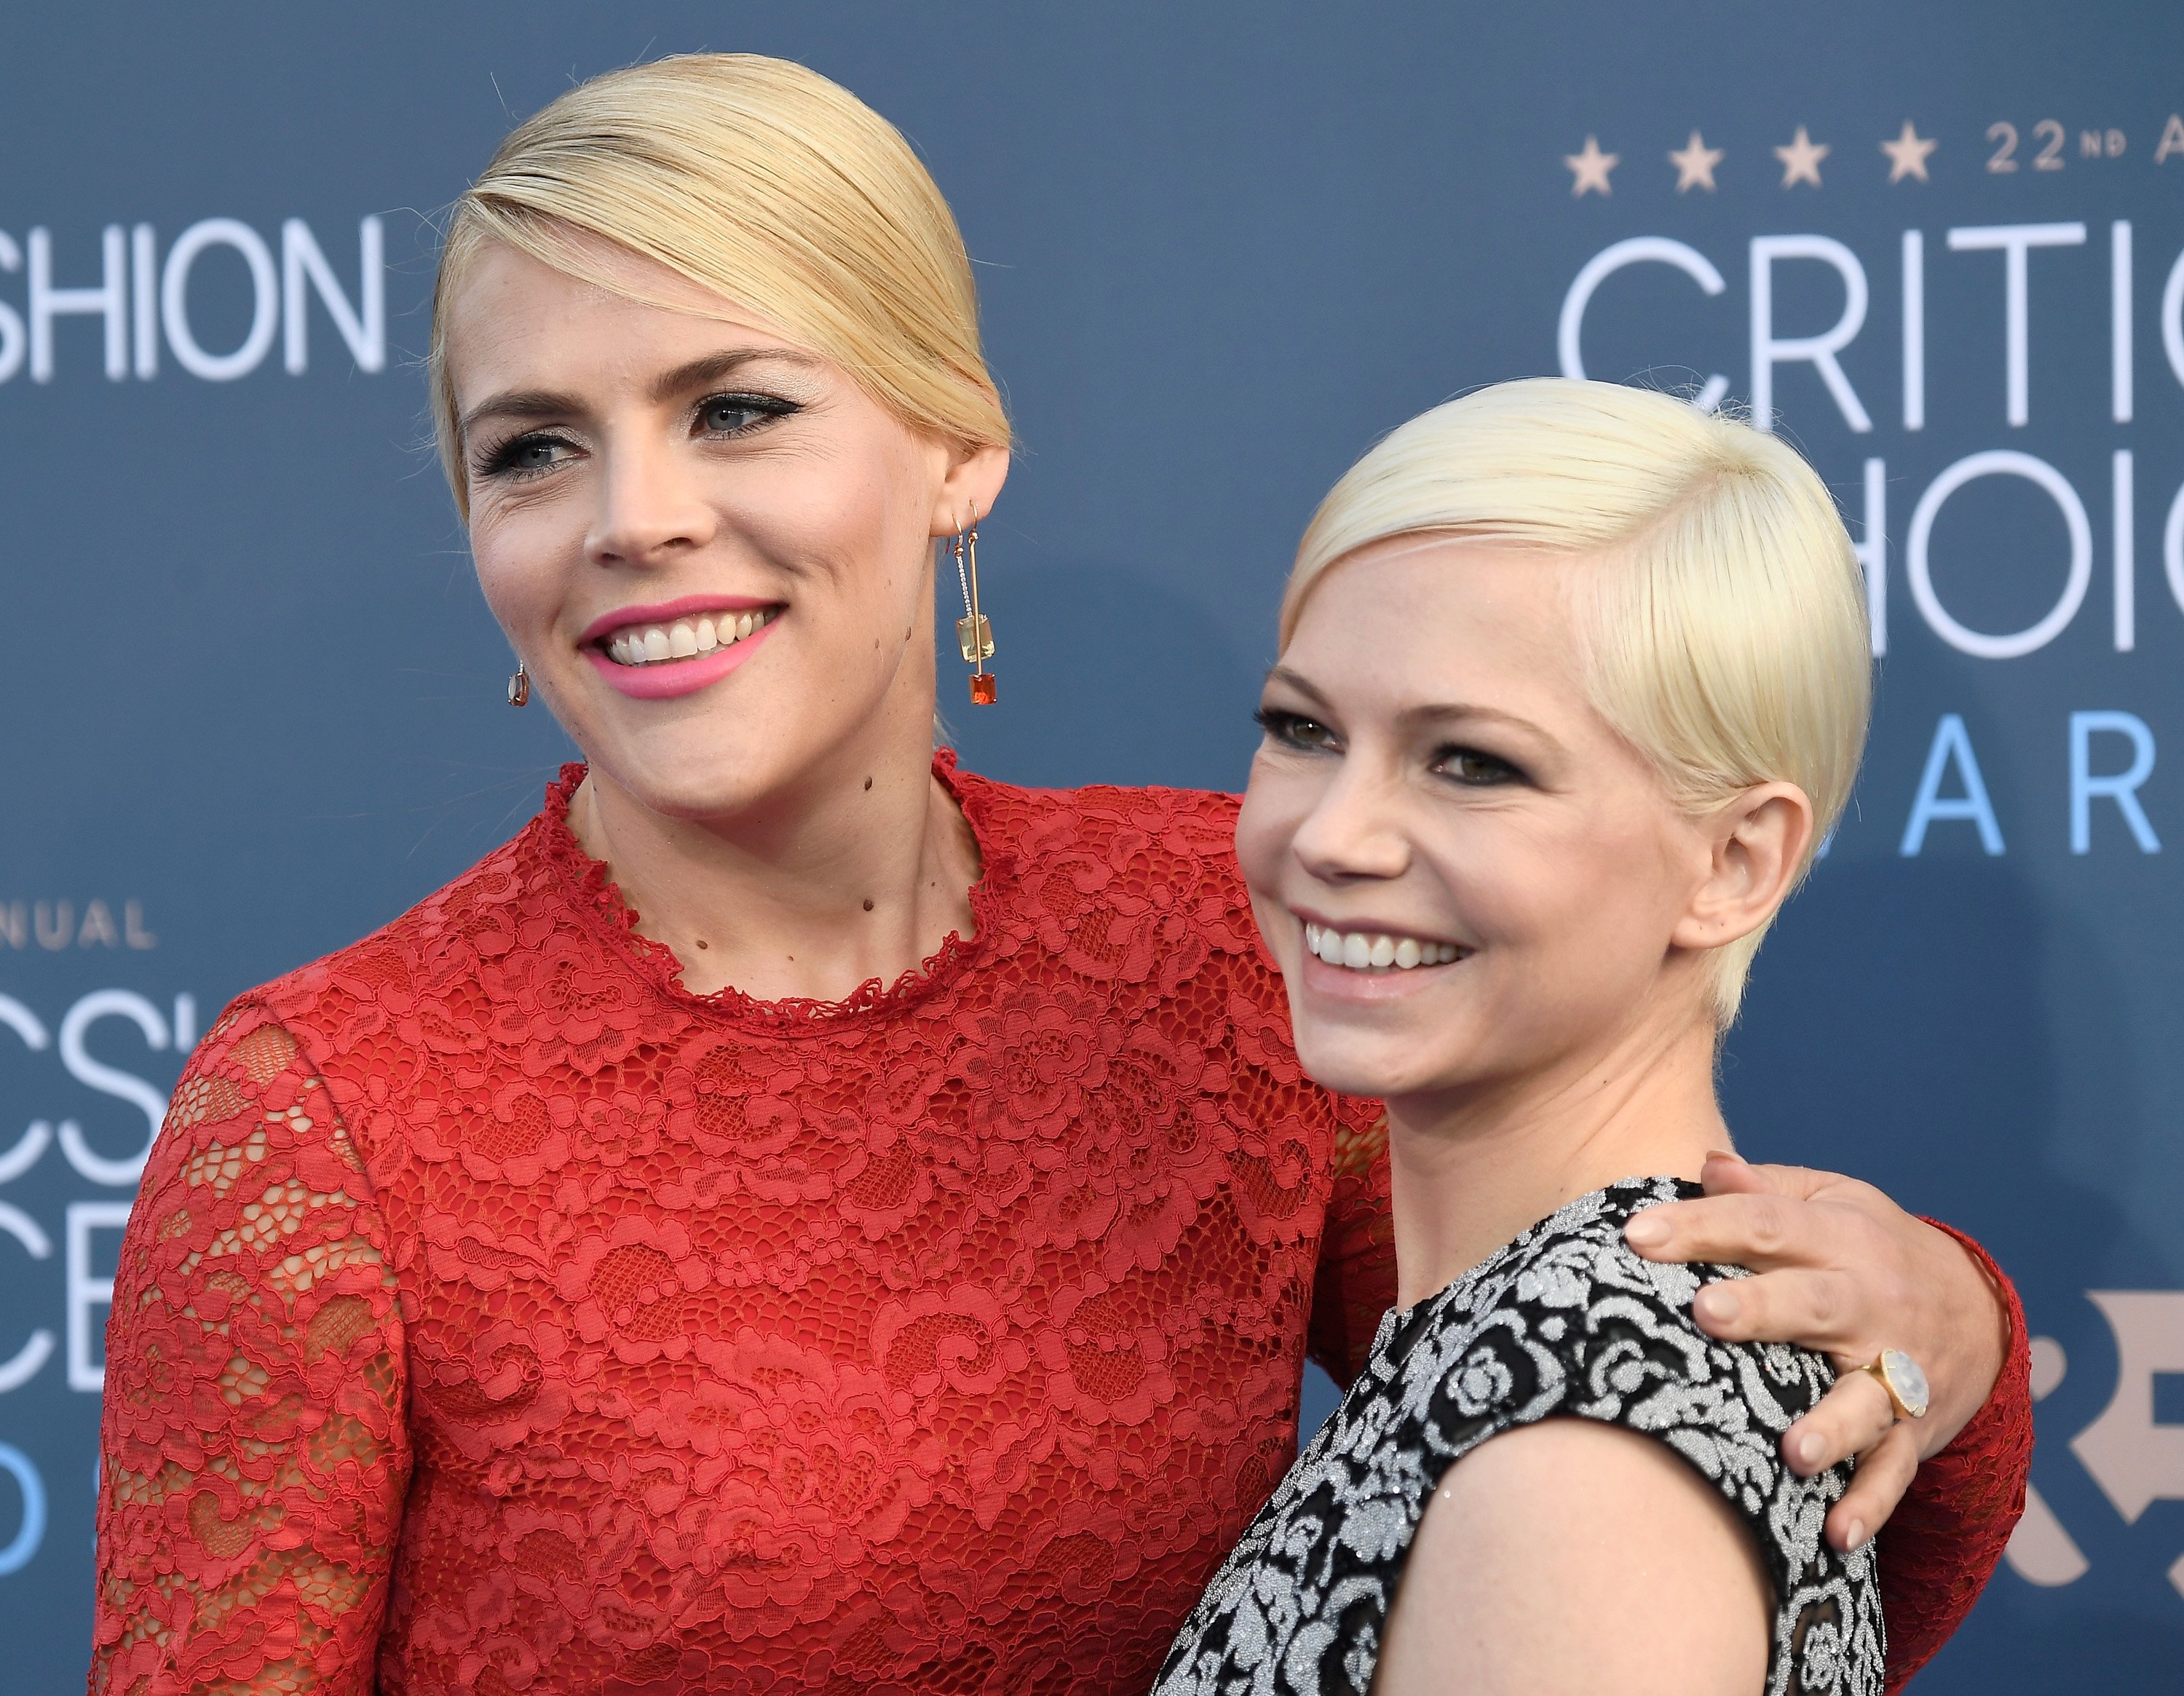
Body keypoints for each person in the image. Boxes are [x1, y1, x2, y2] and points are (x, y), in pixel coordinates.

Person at [90, 57, 2026, 1696]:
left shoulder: (1232, 947)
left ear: (956, 448)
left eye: (736, 406)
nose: (638, 518)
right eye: (532, 450)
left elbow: (1609, 1479)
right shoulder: (323, 1125)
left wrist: (1941, 1327)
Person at [1158, 379, 2008, 1695]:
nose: (1331, 834)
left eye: (1473, 763)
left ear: (1732, 862)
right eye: (1303, 729)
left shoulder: (1580, 1447)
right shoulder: (1544, 1347)